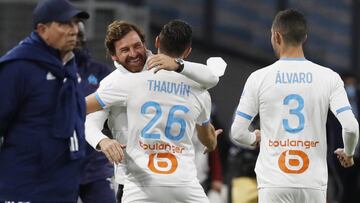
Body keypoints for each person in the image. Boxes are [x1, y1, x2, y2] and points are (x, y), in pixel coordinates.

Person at [230, 9, 359, 203]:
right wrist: (348, 153)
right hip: (312, 183)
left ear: (276, 36)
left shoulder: (258, 78)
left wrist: (253, 137)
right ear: (304, 37)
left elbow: (237, 131)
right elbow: (351, 127)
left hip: (273, 182)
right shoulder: (329, 77)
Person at [84, 20, 221, 202]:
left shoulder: (164, 73)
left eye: (137, 46)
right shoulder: (114, 83)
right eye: (125, 50)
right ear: (113, 55)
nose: (134, 54)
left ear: (151, 43)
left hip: (155, 183)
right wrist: (103, 141)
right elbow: (90, 121)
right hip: (134, 180)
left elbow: (79, 107)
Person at [0, 0, 89, 202]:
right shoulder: (17, 67)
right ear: (42, 29)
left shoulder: (68, 63)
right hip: (24, 187)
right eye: (65, 24)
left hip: (62, 187)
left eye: (76, 24)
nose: (74, 30)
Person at [74, 22, 116, 203]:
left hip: (94, 165)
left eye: (78, 35)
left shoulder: (101, 73)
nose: (75, 39)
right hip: (55, 164)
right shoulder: (45, 72)